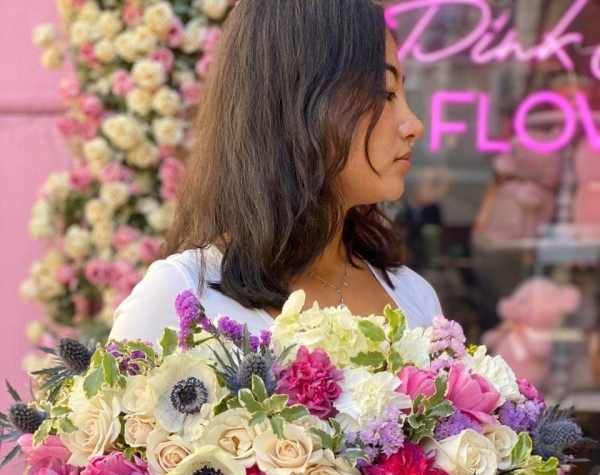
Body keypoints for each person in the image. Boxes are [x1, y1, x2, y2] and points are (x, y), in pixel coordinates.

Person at [109, 0, 443, 347]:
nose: (414, 125)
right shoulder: (180, 300)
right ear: (300, 103)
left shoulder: (414, 298)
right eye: (385, 93)